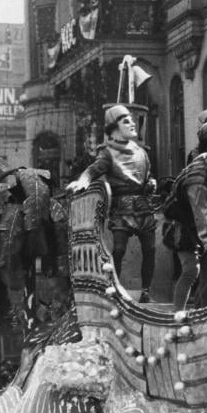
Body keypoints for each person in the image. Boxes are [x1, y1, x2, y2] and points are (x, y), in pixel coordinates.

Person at [67, 105, 157, 303]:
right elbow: (93, 171)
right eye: (126, 120)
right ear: (113, 126)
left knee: (150, 249)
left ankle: (145, 290)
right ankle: (113, 287)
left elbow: (148, 175)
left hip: (143, 206)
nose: (132, 123)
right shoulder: (108, 153)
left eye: (132, 120)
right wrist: (82, 182)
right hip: (121, 206)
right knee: (118, 249)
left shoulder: (141, 152)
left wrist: (151, 183)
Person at [166, 113, 207, 310]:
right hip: (183, 227)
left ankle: (206, 313)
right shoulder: (199, 170)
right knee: (191, 270)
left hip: (198, 226)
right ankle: (177, 316)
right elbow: (200, 210)